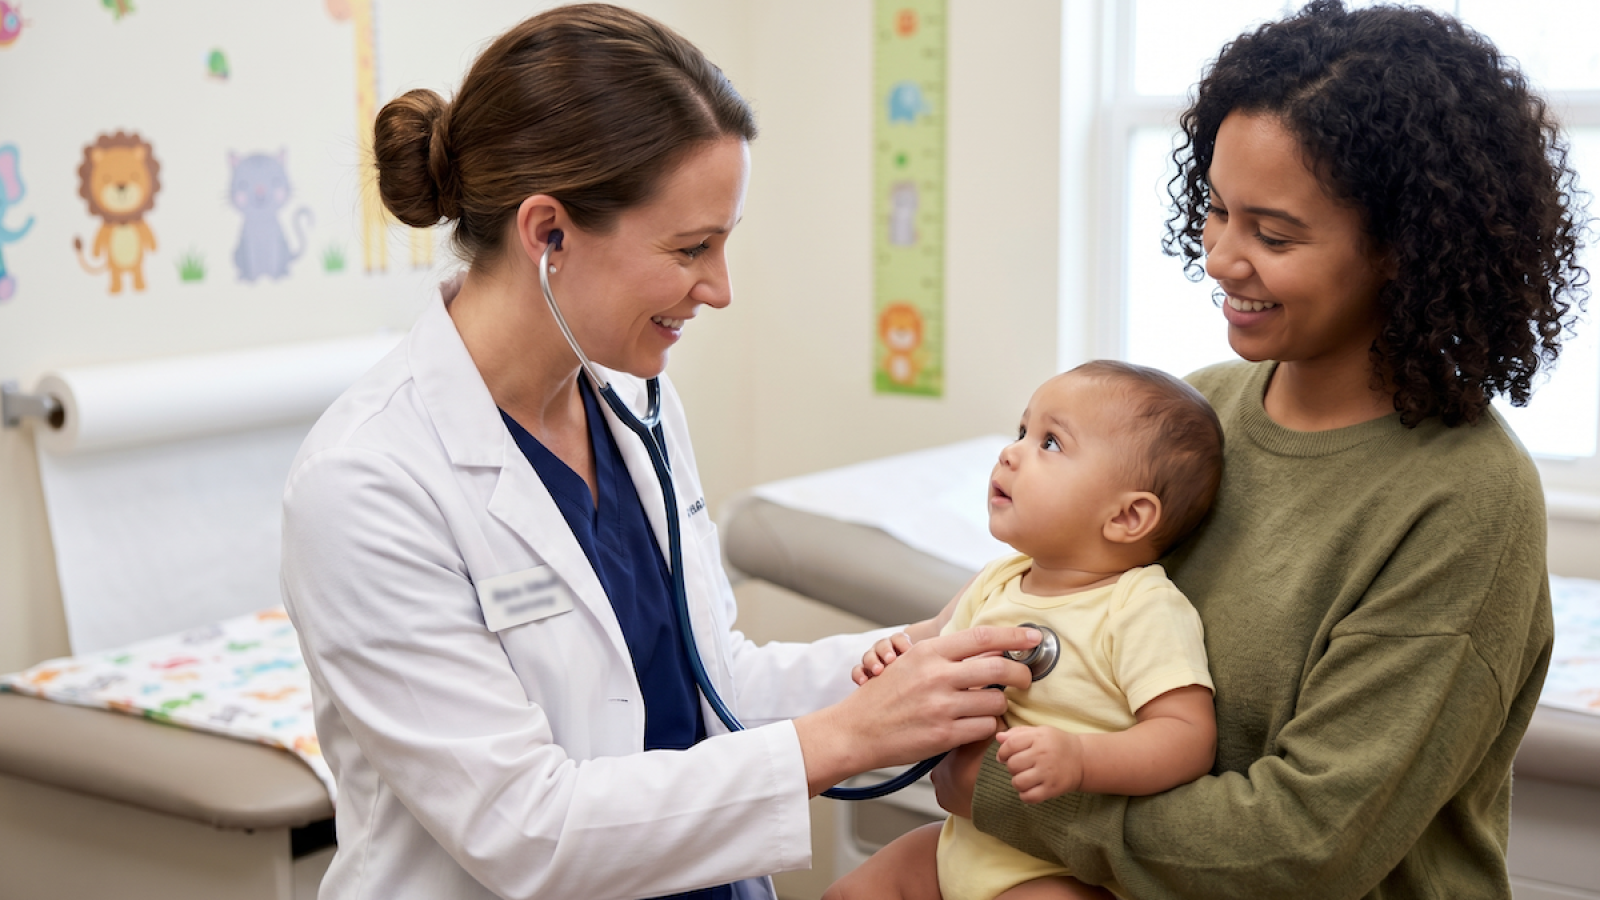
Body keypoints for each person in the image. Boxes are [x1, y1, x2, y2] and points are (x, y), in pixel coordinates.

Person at [277, 6, 1042, 900]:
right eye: (691, 248)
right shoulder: (365, 484)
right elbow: (527, 829)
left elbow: (713, 682)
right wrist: (851, 735)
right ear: (548, 232)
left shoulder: (633, 398)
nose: (718, 288)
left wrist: (926, 653)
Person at [932, 3, 1585, 898]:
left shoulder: (1465, 500)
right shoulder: (1206, 410)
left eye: (1273, 235)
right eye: (1216, 210)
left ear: (1406, 247)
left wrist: (1003, 796)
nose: (1223, 259)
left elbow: (1307, 844)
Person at [826, 361, 1225, 900]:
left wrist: (1082, 760)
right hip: (963, 841)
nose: (1010, 452)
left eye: (1051, 443)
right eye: (1022, 432)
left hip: (1054, 871)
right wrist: (896, 659)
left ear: (1128, 517)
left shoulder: (1141, 606)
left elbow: (1187, 737)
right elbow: (939, 665)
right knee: (855, 890)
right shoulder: (999, 580)